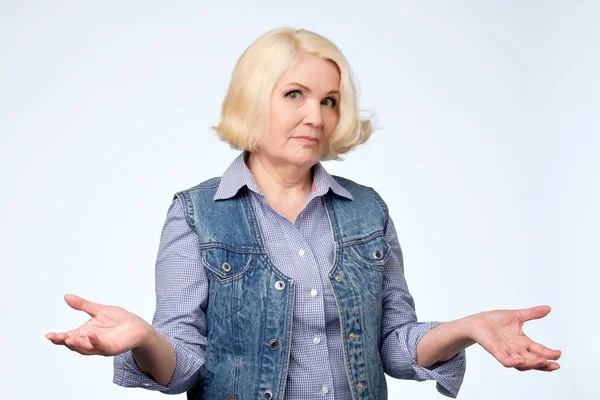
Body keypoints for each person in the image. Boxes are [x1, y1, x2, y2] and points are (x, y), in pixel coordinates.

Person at [45, 27, 561, 400]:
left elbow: (395, 348)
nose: (316, 117)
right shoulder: (196, 214)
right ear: (253, 99)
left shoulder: (368, 210)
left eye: (330, 101)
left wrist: (466, 327)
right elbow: (182, 367)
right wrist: (144, 338)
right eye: (295, 95)